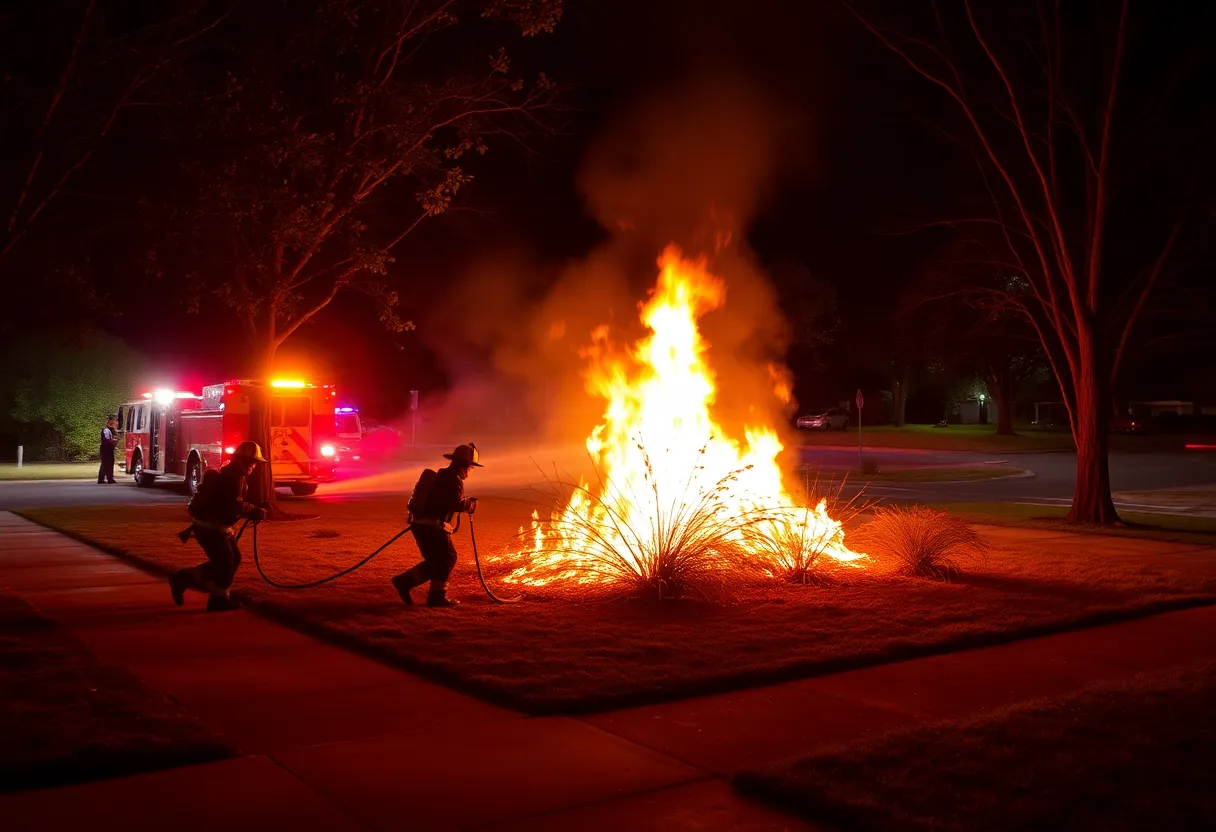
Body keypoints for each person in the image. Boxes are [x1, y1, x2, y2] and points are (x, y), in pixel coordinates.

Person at [169, 441, 268, 612]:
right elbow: (234, 505)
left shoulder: (233, 474)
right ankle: (208, 594)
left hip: (214, 526)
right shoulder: (234, 478)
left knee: (231, 560)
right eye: (253, 463)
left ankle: (209, 591)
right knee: (226, 562)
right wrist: (256, 510)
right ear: (244, 461)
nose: (255, 467)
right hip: (210, 528)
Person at [391, 443, 483, 608]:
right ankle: (435, 597)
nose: (470, 471)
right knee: (447, 558)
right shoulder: (454, 479)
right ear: (464, 466)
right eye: (470, 467)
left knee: (436, 561)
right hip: (431, 527)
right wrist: (469, 505)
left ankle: (404, 582)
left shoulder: (444, 475)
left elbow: (444, 501)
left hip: (422, 525)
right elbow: (454, 503)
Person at [97, 415, 119, 484]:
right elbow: (107, 439)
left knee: (107, 463)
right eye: (113, 420)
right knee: (106, 463)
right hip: (106, 449)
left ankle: (104, 478)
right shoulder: (106, 430)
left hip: (108, 448)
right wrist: (114, 440)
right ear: (110, 421)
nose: (115, 422)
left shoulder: (111, 429)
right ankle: (108, 479)